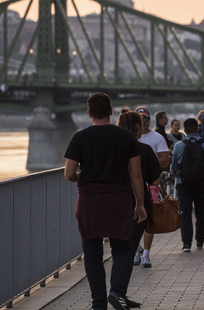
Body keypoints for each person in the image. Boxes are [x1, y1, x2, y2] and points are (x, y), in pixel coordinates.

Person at [64, 92, 147, 310]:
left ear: (89, 112)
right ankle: (117, 292)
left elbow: (69, 174)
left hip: (90, 200)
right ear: (111, 111)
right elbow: (136, 175)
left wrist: (80, 177)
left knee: (92, 251)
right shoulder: (126, 137)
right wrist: (140, 204)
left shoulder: (80, 138)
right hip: (119, 199)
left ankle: (98, 303)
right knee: (122, 248)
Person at [116, 109, 161, 308]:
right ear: (137, 128)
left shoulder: (111, 149)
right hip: (136, 204)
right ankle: (118, 293)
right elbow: (155, 179)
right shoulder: (143, 149)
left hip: (112, 202)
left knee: (115, 250)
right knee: (129, 249)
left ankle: (111, 295)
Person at [132, 106, 169, 269]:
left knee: (148, 220)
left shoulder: (157, 137)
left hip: (150, 185)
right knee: (132, 219)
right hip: (132, 185)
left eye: (145, 118)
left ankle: (146, 254)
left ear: (149, 120)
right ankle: (134, 250)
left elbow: (165, 160)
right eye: (139, 118)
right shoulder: (129, 138)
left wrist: (146, 161)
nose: (142, 121)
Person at [171, 118, 204, 252]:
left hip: (184, 184)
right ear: (198, 129)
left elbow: (173, 168)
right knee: (201, 212)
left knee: (185, 213)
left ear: (185, 130)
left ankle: (186, 244)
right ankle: (200, 240)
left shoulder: (178, 145)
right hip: (202, 183)